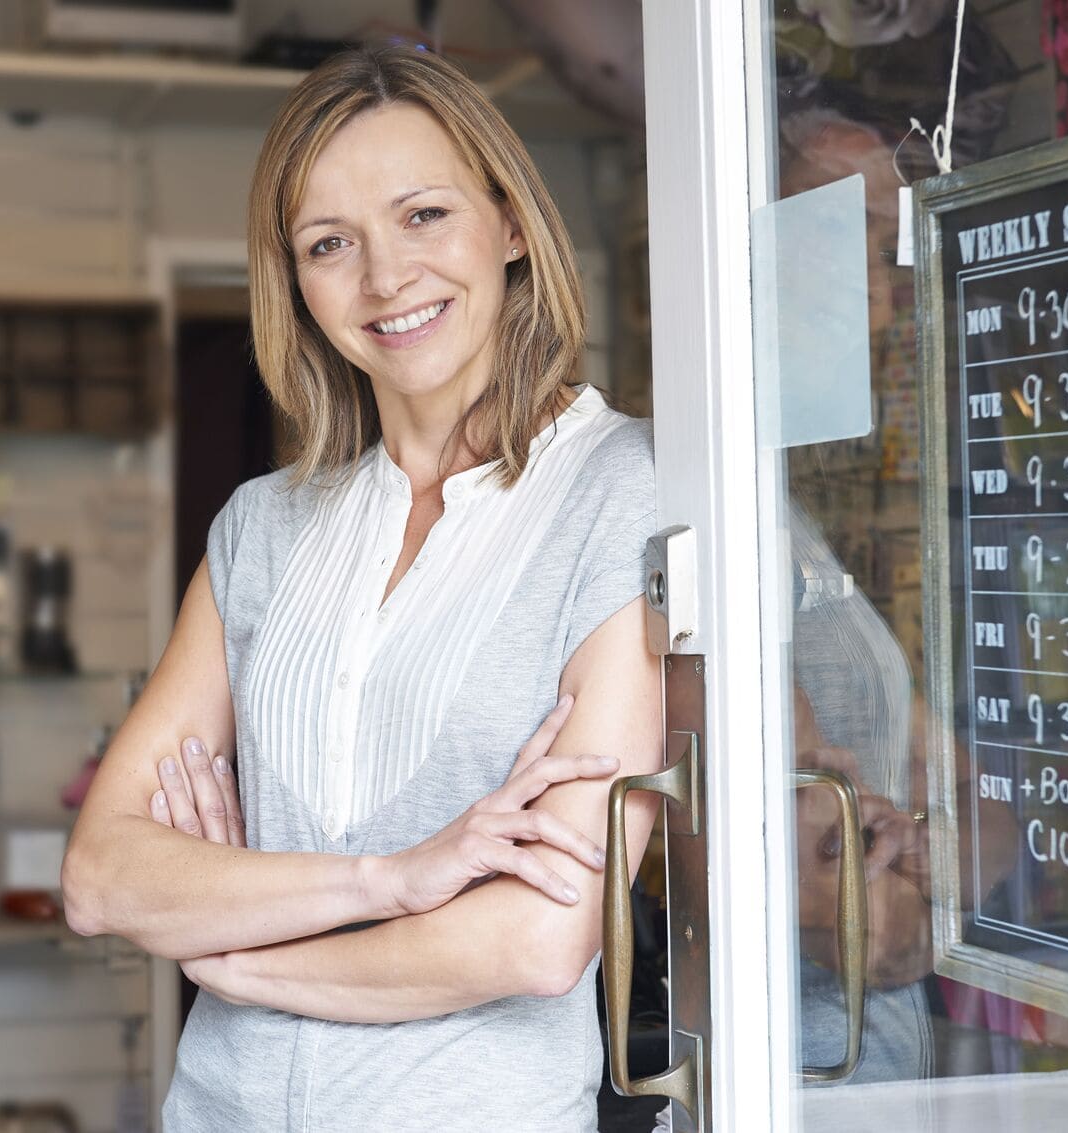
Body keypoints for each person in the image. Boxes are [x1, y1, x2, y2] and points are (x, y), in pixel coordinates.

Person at [59, 45, 662, 1131]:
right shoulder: (261, 528)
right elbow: (104, 875)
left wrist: (236, 948)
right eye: (329, 244)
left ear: (512, 223)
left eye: (423, 215)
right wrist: (392, 880)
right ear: (293, 281)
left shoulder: (627, 491)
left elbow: (538, 935)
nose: (385, 278)